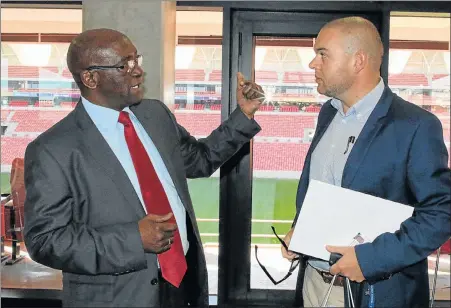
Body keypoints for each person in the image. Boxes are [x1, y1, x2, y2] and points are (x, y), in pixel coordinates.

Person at [23, 28, 264, 308]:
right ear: (90, 78)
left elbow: (200, 159)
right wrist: (133, 239)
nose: (138, 71)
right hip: (117, 297)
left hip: (184, 286)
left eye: (136, 60)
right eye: (124, 65)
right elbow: (45, 240)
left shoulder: (155, 115)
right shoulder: (53, 149)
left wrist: (243, 114)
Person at [280, 16, 450, 307]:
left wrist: (370, 260)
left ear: (358, 61)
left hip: (377, 293)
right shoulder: (328, 114)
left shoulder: (416, 125)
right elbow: (327, 191)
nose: (312, 64)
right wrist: (303, 229)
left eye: (322, 54)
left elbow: (440, 214)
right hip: (313, 284)